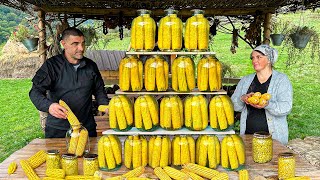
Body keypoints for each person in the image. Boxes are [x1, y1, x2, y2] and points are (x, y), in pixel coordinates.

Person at [29, 27, 109, 138]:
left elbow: (99, 90)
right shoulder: (51, 66)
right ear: (64, 44)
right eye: (75, 44)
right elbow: (35, 92)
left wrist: (104, 105)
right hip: (58, 130)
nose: (81, 48)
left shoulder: (91, 66)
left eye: (83, 43)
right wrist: (49, 106)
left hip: (86, 128)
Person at [231, 44, 293, 144]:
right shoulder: (245, 80)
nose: (254, 61)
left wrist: (267, 105)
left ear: (269, 60)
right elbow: (234, 106)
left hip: (273, 139)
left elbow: (286, 107)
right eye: (253, 58)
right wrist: (242, 99)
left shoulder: (281, 80)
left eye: (259, 57)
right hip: (248, 136)